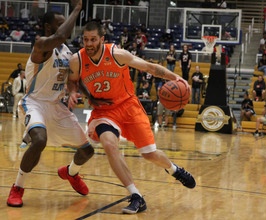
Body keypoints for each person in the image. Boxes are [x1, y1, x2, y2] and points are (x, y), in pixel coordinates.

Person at [68, 21, 196, 214]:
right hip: (104, 112)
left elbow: (149, 67)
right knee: (109, 145)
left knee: (150, 154)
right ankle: (136, 195)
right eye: (85, 39)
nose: (89, 43)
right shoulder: (77, 59)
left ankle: (174, 170)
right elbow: (72, 81)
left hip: (129, 107)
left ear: (102, 39)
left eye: (93, 39)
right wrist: (77, 93)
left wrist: (176, 78)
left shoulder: (117, 54)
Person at [7, 1, 95, 208]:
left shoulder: (67, 52)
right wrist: (76, 10)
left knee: (87, 151)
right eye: (61, 23)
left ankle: (70, 173)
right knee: (39, 141)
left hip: (56, 107)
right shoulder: (41, 44)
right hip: (34, 103)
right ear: (49, 27)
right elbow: (60, 36)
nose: (68, 27)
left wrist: (92, 97)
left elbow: (75, 79)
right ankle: (17, 187)